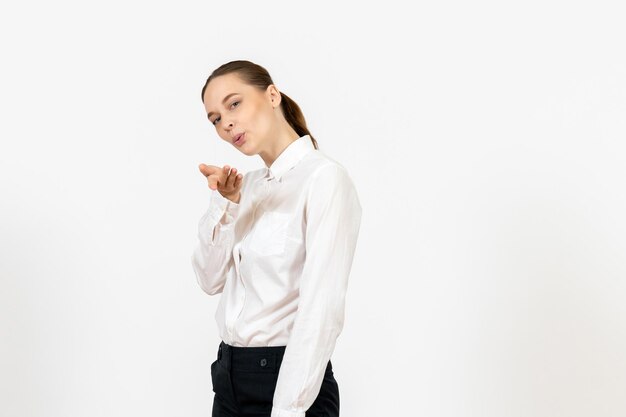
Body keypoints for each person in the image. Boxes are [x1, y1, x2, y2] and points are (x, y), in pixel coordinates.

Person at [191, 59, 362, 417]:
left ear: (272, 95)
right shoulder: (245, 187)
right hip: (228, 379)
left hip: (287, 383)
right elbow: (209, 280)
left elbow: (322, 308)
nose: (226, 124)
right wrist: (224, 205)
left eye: (233, 104)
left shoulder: (323, 179)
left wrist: (288, 408)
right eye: (215, 119)